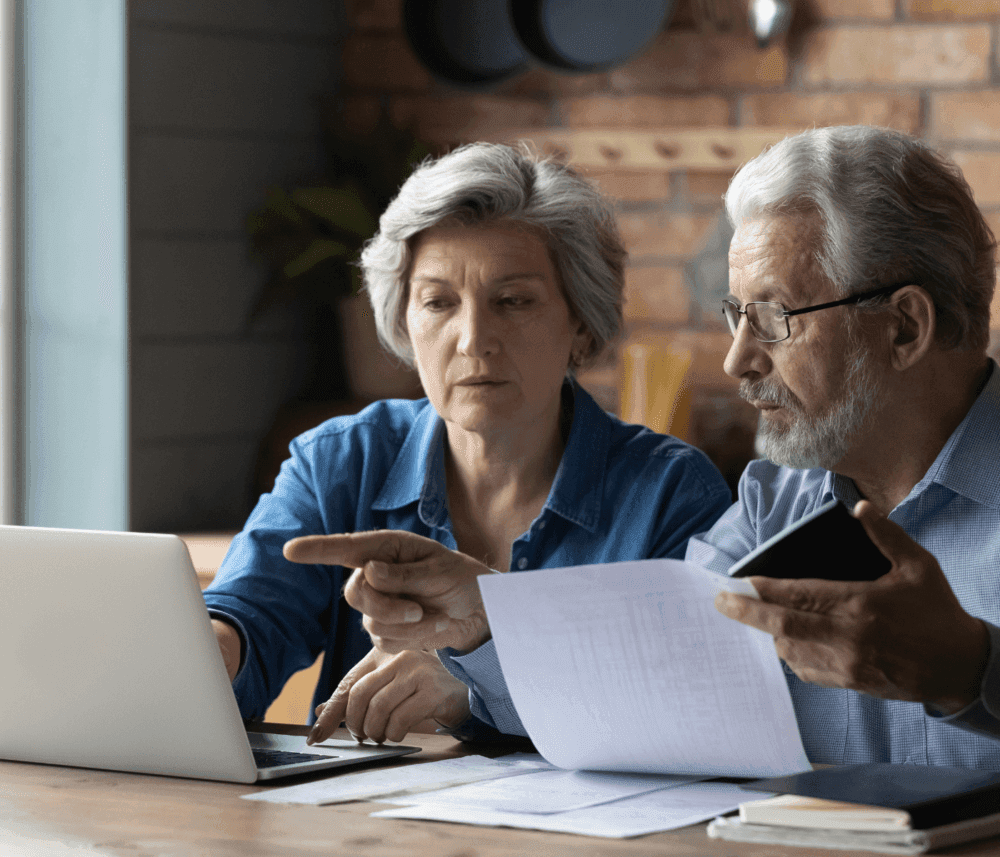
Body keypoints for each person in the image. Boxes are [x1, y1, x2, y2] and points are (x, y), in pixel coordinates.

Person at [305, 126, 1000, 769]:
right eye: (736, 316)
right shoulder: (773, 503)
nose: (736, 360)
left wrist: (972, 670)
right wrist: (489, 623)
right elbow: (649, 679)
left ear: (904, 328)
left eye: (772, 318)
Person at [206, 142, 732, 743]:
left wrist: (479, 690)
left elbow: (689, 706)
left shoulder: (670, 493)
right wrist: (208, 657)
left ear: (581, 325)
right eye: (438, 302)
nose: (474, 339)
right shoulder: (341, 461)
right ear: (405, 322)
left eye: (513, 301)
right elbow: (248, 617)